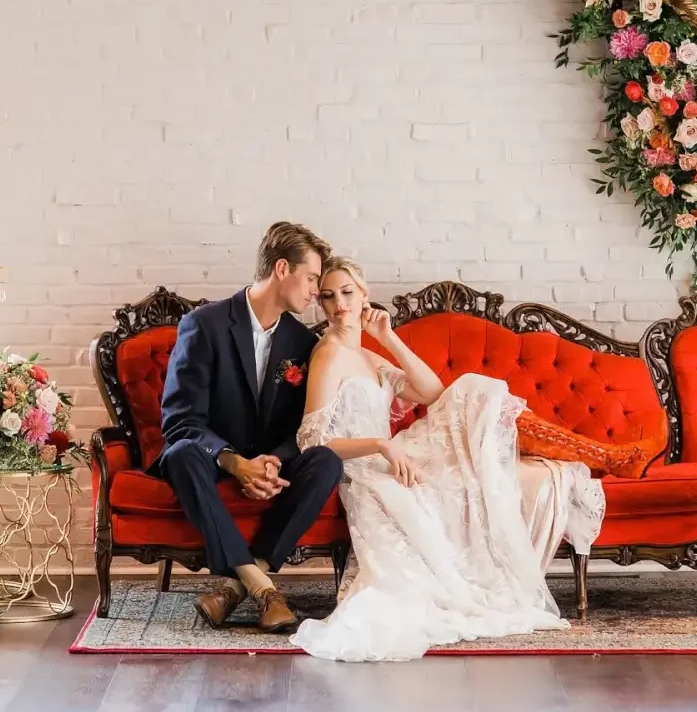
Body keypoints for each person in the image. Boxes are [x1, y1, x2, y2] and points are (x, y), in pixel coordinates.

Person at [290, 257, 605, 661]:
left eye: (348, 293)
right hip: (365, 467)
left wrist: (388, 338)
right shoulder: (328, 355)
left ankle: (569, 449)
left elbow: (433, 393)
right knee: (473, 396)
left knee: (471, 391)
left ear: (365, 295)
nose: (339, 305)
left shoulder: (370, 357)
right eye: (329, 297)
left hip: (394, 456)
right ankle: (586, 451)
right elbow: (313, 442)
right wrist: (382, 445)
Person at [155, 222, 343, 633]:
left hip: (270, 460)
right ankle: (265, 590)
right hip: (212, 459)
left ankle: (236, 587)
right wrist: (234, 462)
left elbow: (301, 425)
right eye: (311, 278)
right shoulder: (204, 324)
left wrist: (273, 461)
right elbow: (180, 419)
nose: (316, 291)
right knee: (181, 454)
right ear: (281, 269)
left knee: (326, 460)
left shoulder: (302, 343)